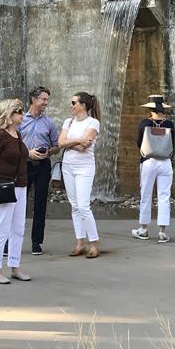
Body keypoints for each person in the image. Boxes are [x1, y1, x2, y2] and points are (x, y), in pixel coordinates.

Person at [0, 99, 31, 284]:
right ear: (9, 116)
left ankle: (15, 266)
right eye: (19, 111)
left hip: (20, 185)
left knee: (18, 228)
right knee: (1, 228)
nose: (22, 114)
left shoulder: (17, 134)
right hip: (3, 186)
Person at [59, 92, 101, 259]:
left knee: (83, 205)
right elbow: (60, 143)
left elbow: (84, 146)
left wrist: (69, 143)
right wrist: (78, 141)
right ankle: (79, 243)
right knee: (74, 206)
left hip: (84, 167)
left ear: (83, 105)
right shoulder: (68, 121)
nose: (71, 105)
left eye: (73, 102)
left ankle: (94, 243)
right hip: (68, 166)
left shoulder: (93, 122)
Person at [18, 86, 59, 255]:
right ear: (34, 100)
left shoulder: (49, 123)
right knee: (19, 204)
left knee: (40, 204)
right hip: (24, 165)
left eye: (47, 100)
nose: (46, 103)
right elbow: (13, 143)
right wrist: (28, 153)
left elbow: (57, 146)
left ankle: (36, 242)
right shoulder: (20, 120)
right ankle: (13, 242)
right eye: (43, 99)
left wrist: (48, 152)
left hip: (43, 166)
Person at [131, 95, 175, 243]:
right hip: (165, 162)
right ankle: (162, 231)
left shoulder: (144, 123)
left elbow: (139, 142)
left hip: (149, 161)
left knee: (146, 194)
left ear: (150, 109)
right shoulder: (169, 124)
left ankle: (143, 229)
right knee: (164, 196)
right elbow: (173, 144)